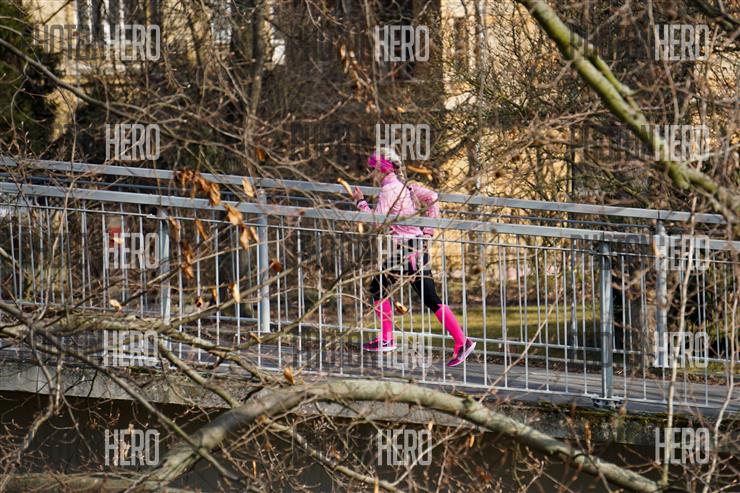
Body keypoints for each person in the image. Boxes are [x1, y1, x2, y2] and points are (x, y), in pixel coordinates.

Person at [351, 147, 476, 367]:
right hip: (412, 247)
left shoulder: (389, 189)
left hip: (408, 250)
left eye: (372, 168)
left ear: (382, 169)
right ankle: (459, 341)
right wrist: (427, 232)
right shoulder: (404, 186)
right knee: (391, 289)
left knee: (395, 291)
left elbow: (377, 222)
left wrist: (360, 203)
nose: (370, 173)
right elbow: (432, 197)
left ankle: (459, 341)